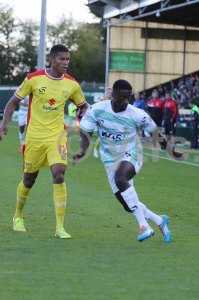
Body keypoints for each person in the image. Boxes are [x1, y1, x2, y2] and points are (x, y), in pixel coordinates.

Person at [0, 44, 88, 239]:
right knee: (29, 179)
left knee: (59, 174)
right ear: (51, 59)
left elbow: (83, 106)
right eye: (62, 59)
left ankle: (60, 227)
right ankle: (18, 216)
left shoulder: (72, 84)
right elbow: (12, 102)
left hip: (57, 136)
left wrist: (85, 119)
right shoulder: (34, 78)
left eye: (67, 59)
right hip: (34, 137)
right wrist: (4, 125)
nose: (66, 63)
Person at [74, 79, 172, 243]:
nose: (125, 102)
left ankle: (144, 226)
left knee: (121, 178)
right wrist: (82, 151)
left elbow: (156, 134)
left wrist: (170, 149)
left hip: (132, 153)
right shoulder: (97, 110)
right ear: (113, 95)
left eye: (128, 98)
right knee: (128, 205)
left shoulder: (137, 114)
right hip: (109, 160)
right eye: (122, 98)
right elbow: (86, 133)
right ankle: (160, 221)